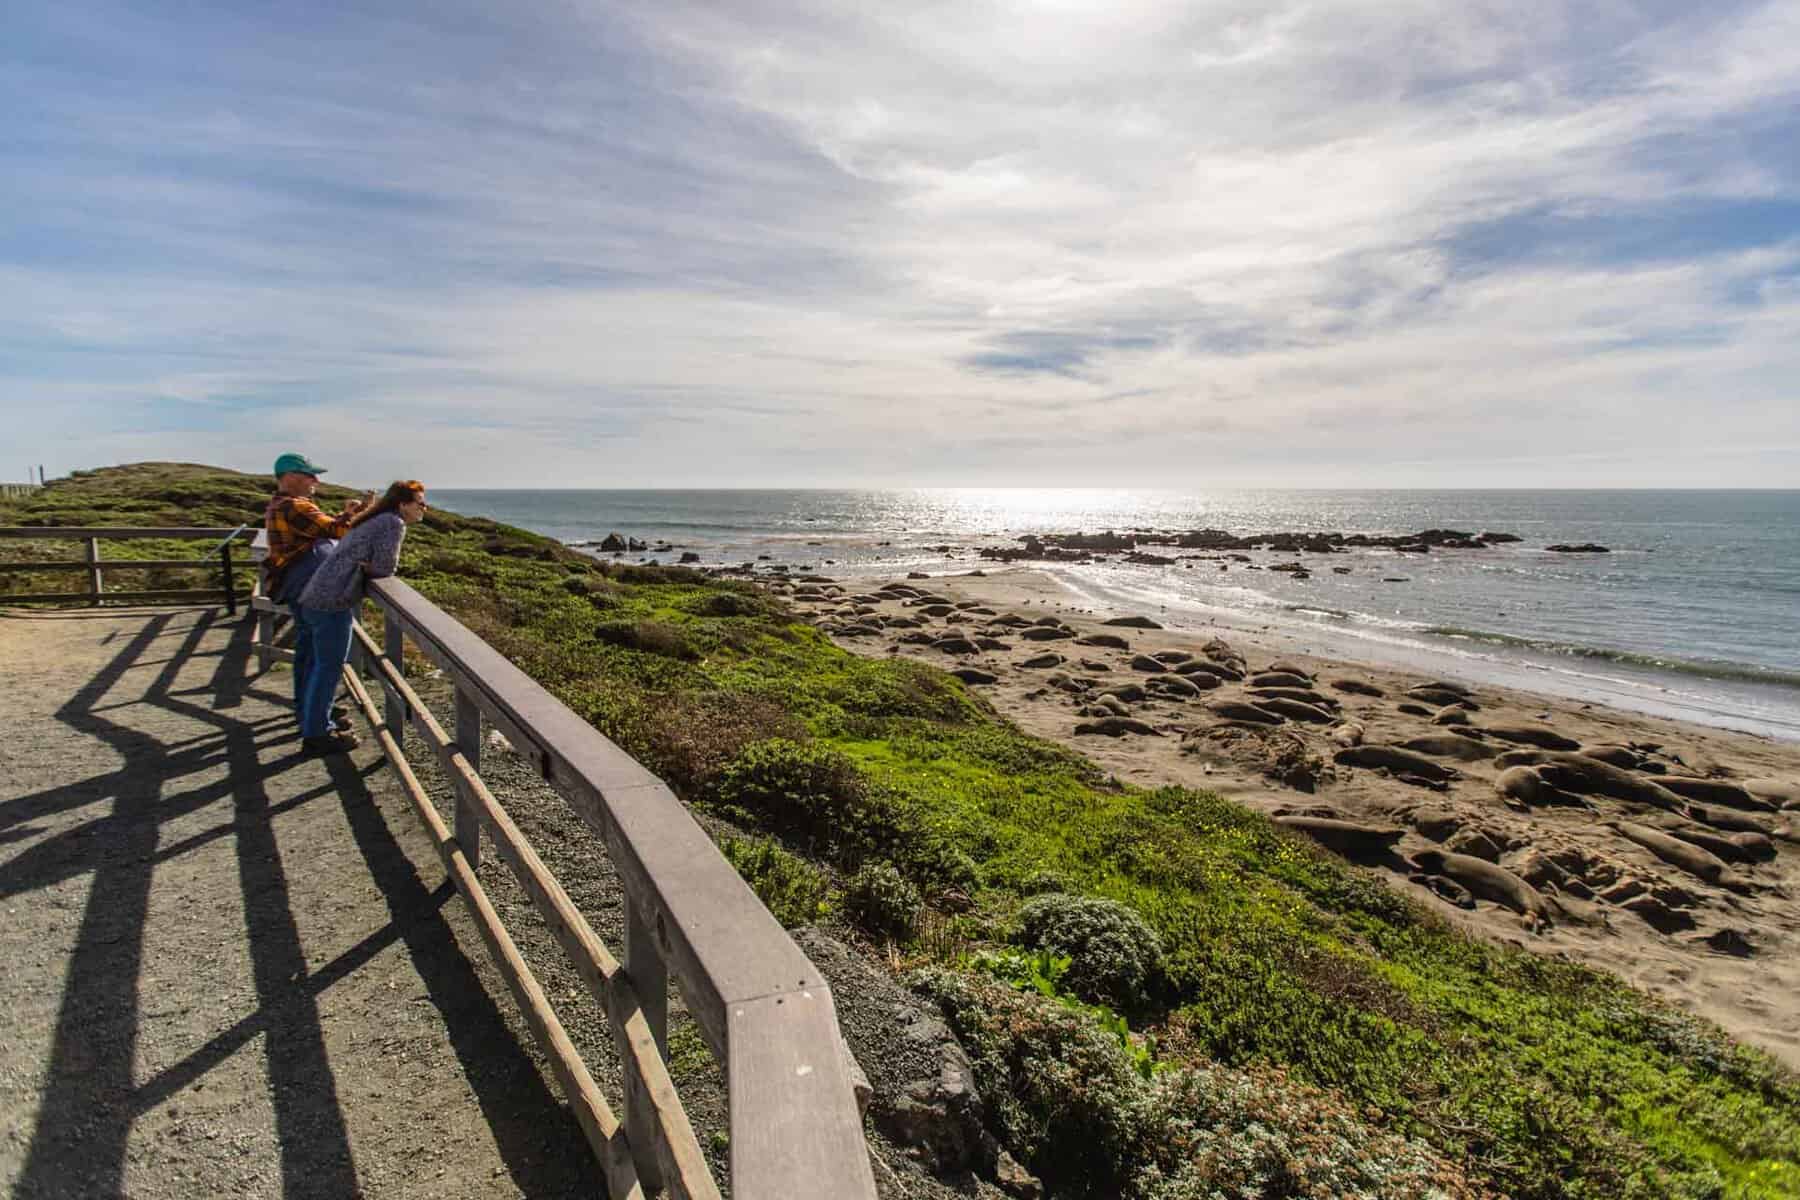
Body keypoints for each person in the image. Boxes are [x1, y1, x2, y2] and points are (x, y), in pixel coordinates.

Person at [294, 481, 428, 754]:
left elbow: (373, 564)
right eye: (420, 503)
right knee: (328, 668)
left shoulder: (376, 518)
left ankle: (316, 719)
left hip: (316, 598)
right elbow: (385, 568)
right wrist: (371, 568)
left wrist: (368, 566)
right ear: (403, 504)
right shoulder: (393, 523)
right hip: (332, 602)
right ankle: (317, 734)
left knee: (317, 664)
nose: (424, 509)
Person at [264, 452, 372, 746]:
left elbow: (325, 529)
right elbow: (341, 532)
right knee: (329, 661)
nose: (316, 481)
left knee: (309, 654)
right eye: (309, 475)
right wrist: (361, 516)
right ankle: (317, 732)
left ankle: (309, 710)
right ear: (290, 477)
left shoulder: (279, 506)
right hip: (321, 594)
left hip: (300, 590)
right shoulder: (295, 506)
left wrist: (349, 513)